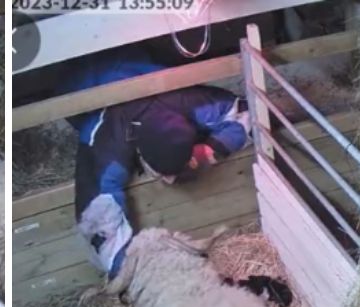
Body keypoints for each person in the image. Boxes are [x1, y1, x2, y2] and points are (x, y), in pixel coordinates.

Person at [62, 48, 252, 277]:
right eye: (161, 174)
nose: (171, 181)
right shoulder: (107, 141)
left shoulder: (190, 102)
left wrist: (211, 148)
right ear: (138, 153)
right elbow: (96, 214)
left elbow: (245, 110)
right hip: (83, 81)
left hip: (142, 70)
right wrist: (127, 268)